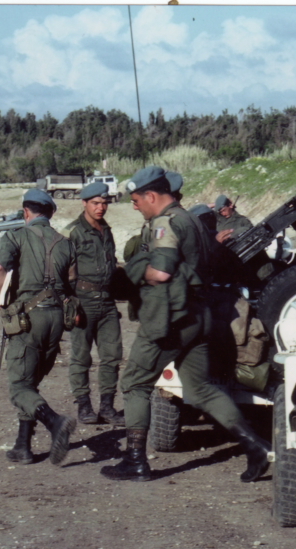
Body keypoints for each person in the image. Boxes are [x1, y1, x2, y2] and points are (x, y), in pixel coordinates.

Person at [100, 166, 271, 483]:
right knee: (201, 388)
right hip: (199, 315)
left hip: (170, 318)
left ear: (151, 196)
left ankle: (136, 461)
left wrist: (132, 274)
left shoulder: (166, 223)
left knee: (135, 383)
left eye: (136, 200)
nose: (134, 206)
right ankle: (254, 447)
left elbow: (161, 272)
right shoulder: (192, 218)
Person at [0, 188, 78, 466]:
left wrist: (0, 297)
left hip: (29, 317)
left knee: (19, 386)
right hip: (56, 319)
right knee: (32, 382)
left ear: (26, 212)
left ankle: (55, 422)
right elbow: (72, 282)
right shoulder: (65, 243)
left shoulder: (16, 235)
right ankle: (23, 446)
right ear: (50, 214)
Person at [60, 182, 124, 426]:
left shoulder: (106, 230)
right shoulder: (72, 232)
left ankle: (107, 406)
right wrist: (70, 304)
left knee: (111, 355)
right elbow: (62, 272)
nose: (101, 208)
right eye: (96, 203)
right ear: (84, 203)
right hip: (83, 301)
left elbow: (112, 262)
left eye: (105, 203)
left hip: (107, 301)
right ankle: (84, 406)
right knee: (81, 357)